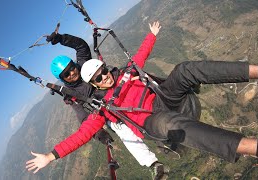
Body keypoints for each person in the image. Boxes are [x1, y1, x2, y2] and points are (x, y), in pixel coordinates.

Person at [27, 27, 166, 179]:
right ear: (63, 79)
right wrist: (99, 134)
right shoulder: (71, 94)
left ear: (75, 64)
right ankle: (153, 164)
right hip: (108, 110)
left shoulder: (83, 65)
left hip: (117, 88)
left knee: (145, 86)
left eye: (71, 68)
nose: (72, 73)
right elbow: (83, 117)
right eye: (66, 74)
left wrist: (61, 38)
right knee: (123, 132)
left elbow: (81, 46)